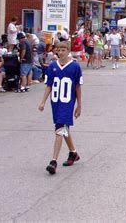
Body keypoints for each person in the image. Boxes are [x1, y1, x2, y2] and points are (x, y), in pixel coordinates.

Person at [38, 42, 83, 175]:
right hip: (56, 102)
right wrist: (43, 101)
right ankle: (73, 153)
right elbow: (49, 85)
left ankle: (53, 161)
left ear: (68, 51)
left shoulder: (75, 67)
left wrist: (79, 105)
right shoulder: (52, 66)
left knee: (59, 129)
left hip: (67, 103)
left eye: (64, 50)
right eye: (59, 50)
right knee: (64, 129)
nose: (61, 52)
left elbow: (78, 87)